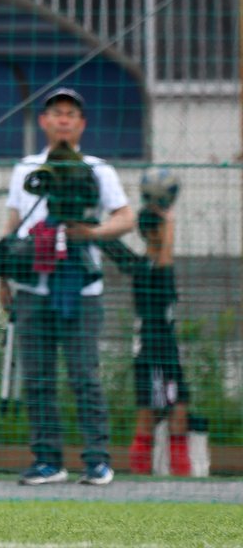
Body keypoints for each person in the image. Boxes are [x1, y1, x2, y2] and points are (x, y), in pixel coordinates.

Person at [0, 87, 135, 486]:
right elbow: (13, 223)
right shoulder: (26, 168)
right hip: (33, 286)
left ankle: (97, 460)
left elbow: (125, 218)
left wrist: (89, 232)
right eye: (56, 113)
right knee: (38, 378)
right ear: (44, 121)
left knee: (84, 375)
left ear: (81, 123)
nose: (63, 119)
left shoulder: (98, 169)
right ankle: (47, 459)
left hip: (81, 288)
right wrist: (5, 274)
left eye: (70, 114)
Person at [127, 168, 191, 476]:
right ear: (152, 234)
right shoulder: (147, 268)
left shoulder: (157, 264)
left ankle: (182, 475)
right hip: (151, 353)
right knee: (149, 416)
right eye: (163, 231)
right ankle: (141, 475)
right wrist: (169, 220)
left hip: (169, 351)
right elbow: (165, 256)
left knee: (180, 412)